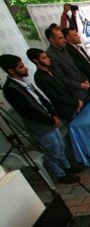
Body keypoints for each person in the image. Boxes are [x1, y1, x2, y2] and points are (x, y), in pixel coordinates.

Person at [0, 54, 81, 183]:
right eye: (21, 67)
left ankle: (67, 167)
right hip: (40, 127)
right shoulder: (11, 89)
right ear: (11, 70)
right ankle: (61, 175)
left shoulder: (23, 81)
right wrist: (50, 120)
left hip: (50, 121)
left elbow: (41, 99)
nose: (25, 68)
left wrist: (53, 114)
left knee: (59, 146)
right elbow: (29, 111)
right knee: (51, 152)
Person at [45, 26, 90, 101]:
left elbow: (75, 67)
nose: (64, 40)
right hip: (75, 95)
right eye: (60, 38)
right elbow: (61, 78)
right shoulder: (50, 55)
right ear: (52, 40)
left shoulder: (65, 49)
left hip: (84, 89)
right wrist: (79, 85)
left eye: (63, 37)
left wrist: (84, 79)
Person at [62, 27, 90, 99]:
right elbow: (81, 67)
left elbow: (89, 62)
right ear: (68, 38)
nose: (78, 36)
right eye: (75, 35)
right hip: (87, 82)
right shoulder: (69, 51)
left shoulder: (79, 47)